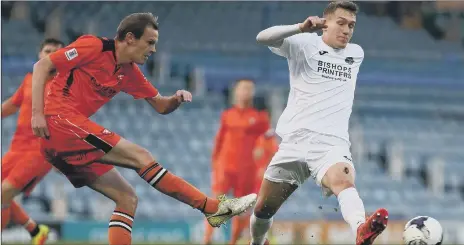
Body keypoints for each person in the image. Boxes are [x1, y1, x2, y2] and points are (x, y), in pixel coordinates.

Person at [30, 13, 257, 245]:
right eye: (150, 42)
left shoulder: (128, 72)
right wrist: (37, 114)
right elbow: (42, 65)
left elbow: (160, 105)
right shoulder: (95, 46)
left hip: (64, 138)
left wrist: (175, 99)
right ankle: (212, 208)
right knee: (142, 157)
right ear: (130, 38)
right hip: (59, 122)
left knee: (127, 198)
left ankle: (212, 209)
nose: (154, 50)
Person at [250, 2, 388, 245]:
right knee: (263, 209)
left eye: (352, 25)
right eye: (341, 23)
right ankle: (257, 242)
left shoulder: (355, 53)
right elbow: (262, 37)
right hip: (294, 142)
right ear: (326, 23)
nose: (347, 30)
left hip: (330, 145)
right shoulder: (303, 44)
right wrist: (299, 28)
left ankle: (361, 229)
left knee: (343, 180)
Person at [1, 38, 65, 245]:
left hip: (41, 150)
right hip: (16, 147)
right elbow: (12, 104)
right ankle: (36, 230)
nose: (51, 55)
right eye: (47, 51)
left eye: (56, 52)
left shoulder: (66, 85)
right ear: (39, 54)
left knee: (3, 194)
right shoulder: (30, 79)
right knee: (3, 195)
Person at [204, 79, 270, 245]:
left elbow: (268, 141)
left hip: (247, 170)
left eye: (249, 89)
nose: (246, 92)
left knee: (241, 208)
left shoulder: (260, 118)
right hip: (225, 167)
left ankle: (232, 242)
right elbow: (219, 140)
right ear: (236, 92)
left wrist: (263, 163)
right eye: (243, 88)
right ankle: (207, 240)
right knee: (216, 204)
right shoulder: (227, 115)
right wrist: (215, 164)